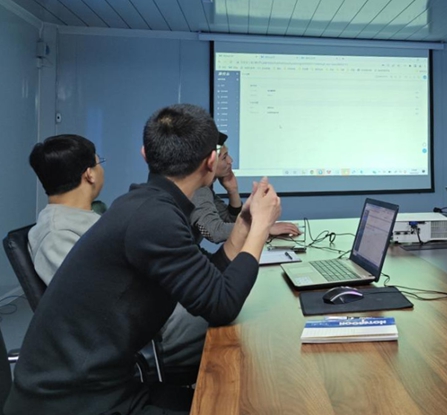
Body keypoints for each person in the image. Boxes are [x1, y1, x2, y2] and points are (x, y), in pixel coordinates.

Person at [5, 104, 282, 415]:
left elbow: (210, 278)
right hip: (73, 402)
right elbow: (223, 304)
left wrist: (243, 226)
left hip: (105, 385)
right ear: (210, 162)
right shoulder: (153, 217)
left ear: (145, 154)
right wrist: (261, 227)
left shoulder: (149, 206)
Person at [190, 134, 299, 243]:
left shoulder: (205, 189)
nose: (230, 160)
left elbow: (231, 221)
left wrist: (233, 191)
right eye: (224, 157)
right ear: (210, 162)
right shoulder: (199, 190)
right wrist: (263, 228)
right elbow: (215, 232)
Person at [27, 134, 104, 284]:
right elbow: (91, 290)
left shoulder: (84, 215)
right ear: (90, 174)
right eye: (99, 162)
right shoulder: (56, 236)